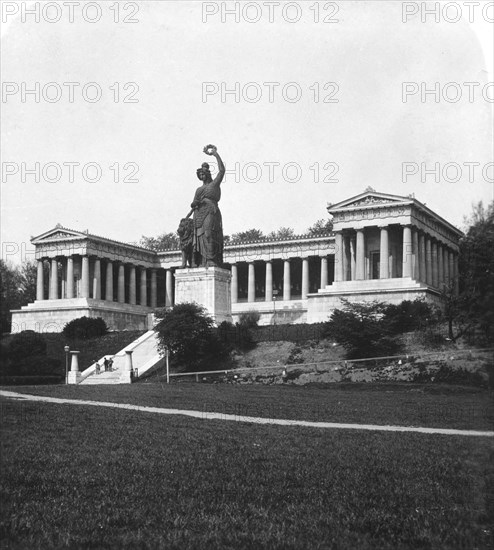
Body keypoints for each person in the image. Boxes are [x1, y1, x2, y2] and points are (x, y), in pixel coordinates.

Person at [190, 144, 225, 267]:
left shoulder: (214, 184)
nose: (202, 177)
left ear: (208, 174)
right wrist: (195, 203)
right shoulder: (199, 190)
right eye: (200, 175)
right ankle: (201, 260)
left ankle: (211, 259)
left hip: (211, 210)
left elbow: (222, 171)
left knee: (209, 233)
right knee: (200, 236)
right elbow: (193, 202)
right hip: (199, 213)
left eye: (203, 175)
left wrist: (215, 154)